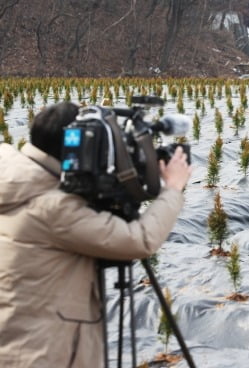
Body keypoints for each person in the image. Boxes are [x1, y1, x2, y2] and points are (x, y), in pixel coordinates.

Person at [0, 102, 192, 367]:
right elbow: (139, 240)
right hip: (44, 354)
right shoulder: (54, 208)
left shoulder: (16, 179)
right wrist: (173, 188)